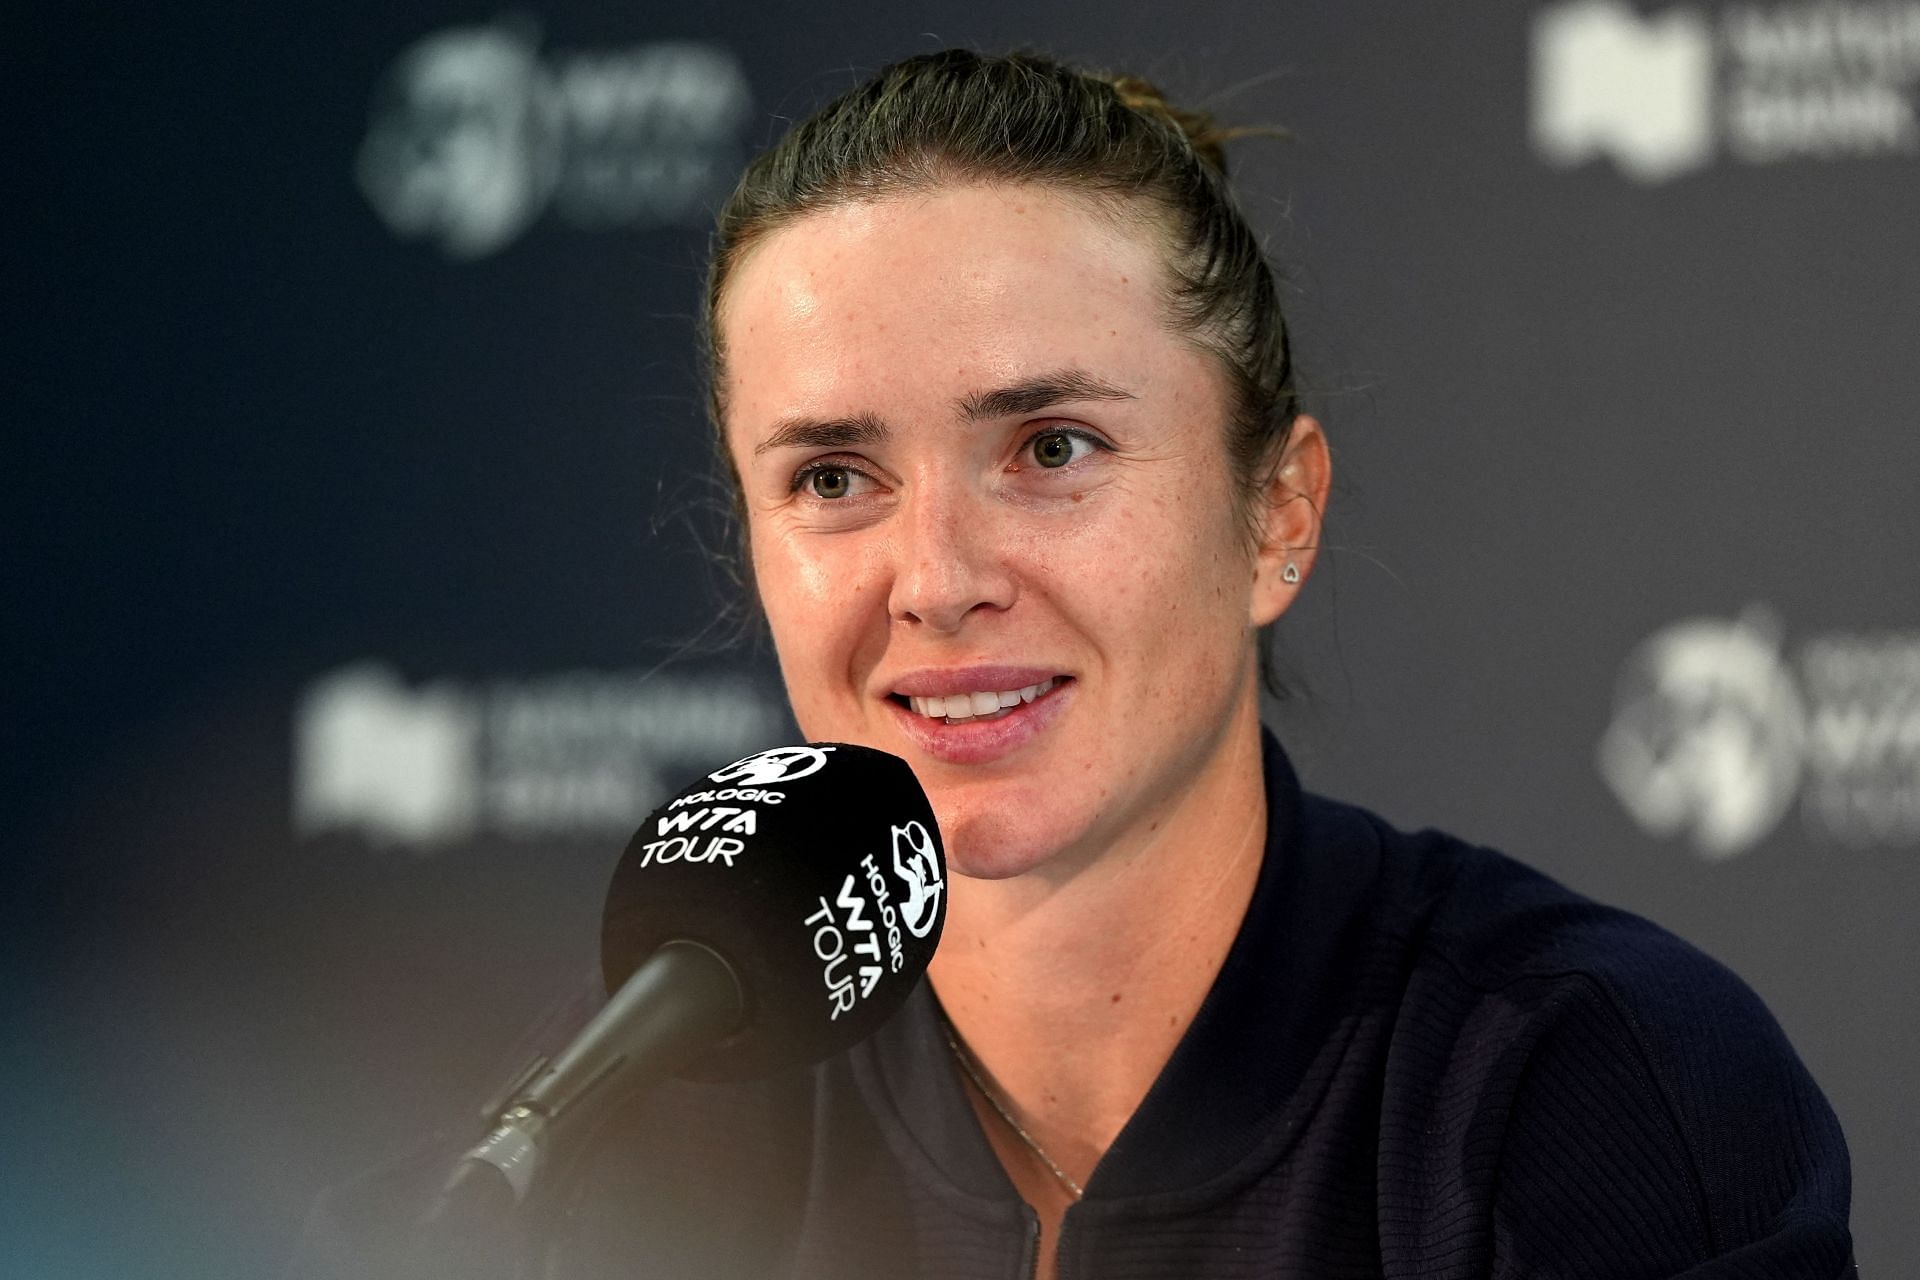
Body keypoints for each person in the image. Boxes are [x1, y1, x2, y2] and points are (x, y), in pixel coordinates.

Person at [293, 47, 1853, 1280]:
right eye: (834, 477)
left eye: (1051, 446)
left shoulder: (1581, 1092)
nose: (940, 580)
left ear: (1275, 513)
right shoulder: (612, 1128)